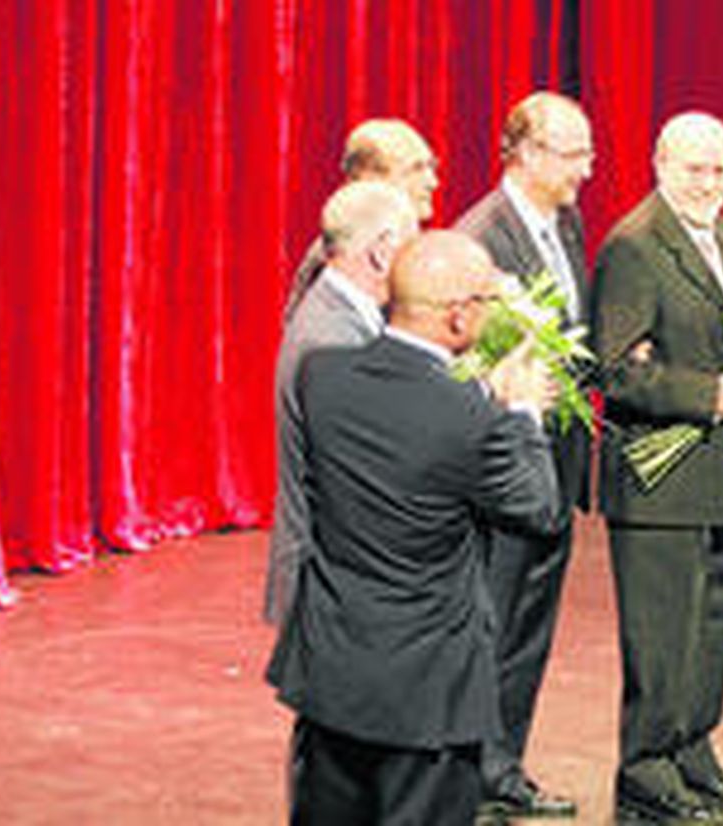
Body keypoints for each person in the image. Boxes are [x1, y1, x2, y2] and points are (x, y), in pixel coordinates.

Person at [266, 230, 561, 824]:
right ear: (458, 316)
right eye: (486, 301)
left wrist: (484, 399)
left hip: (333, 671)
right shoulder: (476, 423)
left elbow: (411, 426)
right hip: (428, 691)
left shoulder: (324, 377)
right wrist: (523, 412)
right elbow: (540, 509)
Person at [591, 112, 723, 822]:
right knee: (662, 632)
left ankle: (692, 747)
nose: (707, 183)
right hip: (660, 482)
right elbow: (615, 370)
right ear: (660, 161)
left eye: (718, 170)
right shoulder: (636, 245)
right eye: (694, 168)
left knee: (713, 623)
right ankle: (646, 767)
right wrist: (712, 396)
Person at [452, 90, 594, 819]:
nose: (586, 170)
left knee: (530, 627)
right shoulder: (482, 234)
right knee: (492, 624)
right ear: (527, 153)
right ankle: (470, 769)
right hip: (500, 470)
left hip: (553, 464)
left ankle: (503, 766)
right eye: (573, 155)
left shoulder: (563, 226)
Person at [262, 180, 418, 628]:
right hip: (333, 589)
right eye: (411, 244)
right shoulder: (333, 340)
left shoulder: (343, 317)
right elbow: (367, 471)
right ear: (382, 252)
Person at [281, 118, 441, 320]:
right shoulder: (346, 253)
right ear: (371, 178)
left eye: (432, 166)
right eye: (416, 169)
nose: (433, 182)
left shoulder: (394, 243)